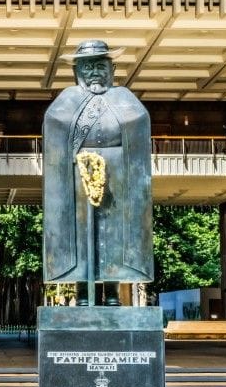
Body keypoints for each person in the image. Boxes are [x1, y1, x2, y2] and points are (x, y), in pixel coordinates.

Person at [41, 40, 153, 304]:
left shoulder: (125, 98)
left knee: (114, 232)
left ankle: (113, 291)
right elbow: (56, 130)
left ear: (112, 69)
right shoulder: (66, 100)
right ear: (77, 71)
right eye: (88, 67)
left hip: (117, 178)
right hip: (78, 178)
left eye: (100, 66)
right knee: (80, 234)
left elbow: (137, 126)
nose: (95, 73)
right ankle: (81, 291)